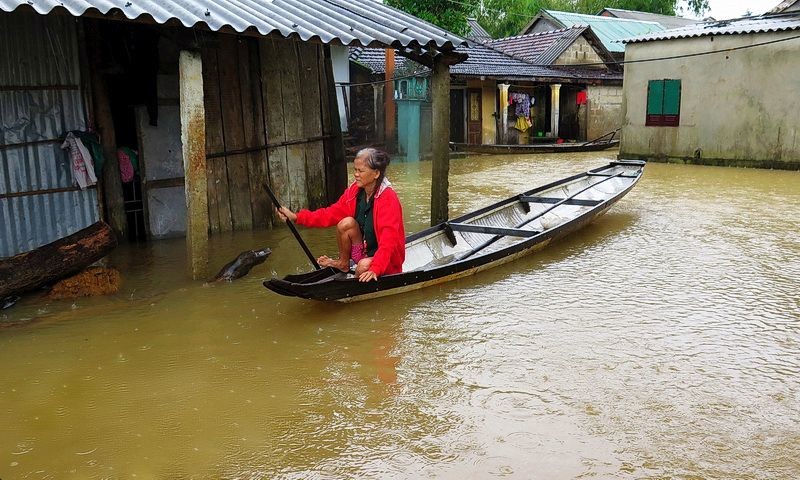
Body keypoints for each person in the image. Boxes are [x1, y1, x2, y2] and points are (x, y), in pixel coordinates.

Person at [277, 148, 405, 282]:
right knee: (346, 224)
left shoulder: (388, 199)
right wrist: (296, 217)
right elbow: (329, 214)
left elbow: (388, 242)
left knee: (363, 266)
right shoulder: (355, 192)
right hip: (363, 251)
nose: (356, 174)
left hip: (387, 262)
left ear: (376, 173)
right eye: (355, 170)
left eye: (360, 171)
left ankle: (355, 286)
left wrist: (376, 268)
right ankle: (343, 263)